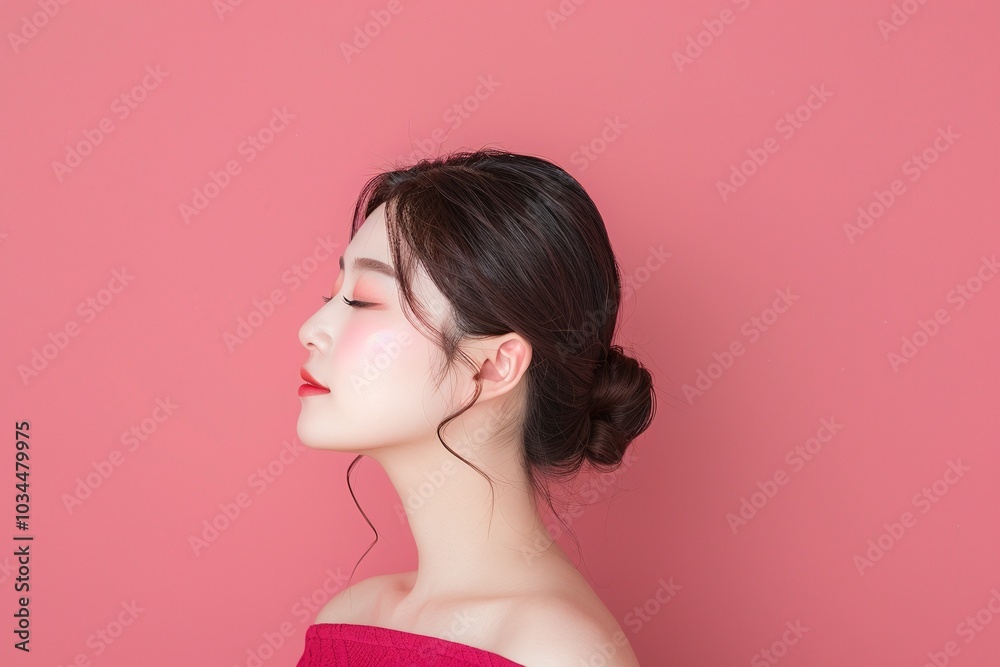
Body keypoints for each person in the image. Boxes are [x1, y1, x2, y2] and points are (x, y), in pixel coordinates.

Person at [294, 148, 656, 666]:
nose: (311, 330)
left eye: (363, 300)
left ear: (491, 366)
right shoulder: (348, 619)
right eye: (332, 294)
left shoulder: (560, 653)